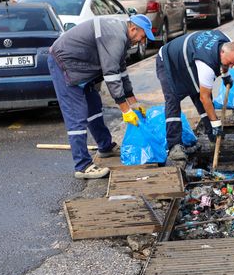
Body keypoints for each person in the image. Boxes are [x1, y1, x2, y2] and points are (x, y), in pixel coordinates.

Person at [48, 15, 154, 179]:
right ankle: (82, 166)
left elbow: (121, 71)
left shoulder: (122, 37)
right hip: (65, 65)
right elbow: (111, 74)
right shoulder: (116, 36)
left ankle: (105, 147)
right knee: (77, 116)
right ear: (133, 29)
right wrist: (125, 110)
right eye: (143, 36)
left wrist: (133, 102)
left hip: (82, 68)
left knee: (94, 108)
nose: (142, 41)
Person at [156, 31, 234, 161]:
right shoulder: (206, 65)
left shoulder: (227, 42)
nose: (231, 66)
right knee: (173, 100)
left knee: (199, 92)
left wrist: (226, 76)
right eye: (230, 63)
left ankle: (215, 137)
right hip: (168, 61)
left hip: (188, 60)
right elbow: (205, 97)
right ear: (222, 52)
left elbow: (224, 64)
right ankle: (174, 146)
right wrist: (216, 123)